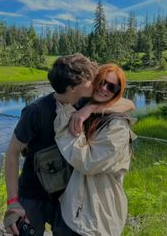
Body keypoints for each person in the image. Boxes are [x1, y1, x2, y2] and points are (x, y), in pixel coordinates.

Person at [3, 54, 134, 236]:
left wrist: (90, 109)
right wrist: (12, 203)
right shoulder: (36, 111)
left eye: (105, 83)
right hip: (34, 194)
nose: (97, 84)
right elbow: (12, 153)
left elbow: (127, 102)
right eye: (92, 80)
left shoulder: (84, 101)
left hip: (67, 197)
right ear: (73, 87)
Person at [54, 63, 136, 236]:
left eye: (111, 86)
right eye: (101, 81)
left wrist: (81, 112)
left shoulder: (118, 126)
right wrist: (88, 108)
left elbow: (87, 162)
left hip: (97, 218)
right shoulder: (84, 104)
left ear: (117, 92)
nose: (103, 88)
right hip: (70, 211)